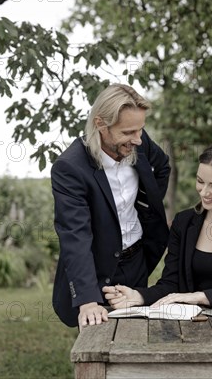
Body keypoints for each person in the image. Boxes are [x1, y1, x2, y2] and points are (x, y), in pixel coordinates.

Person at [102, 142, 212, 309]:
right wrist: (139, 296)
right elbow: (170, 285)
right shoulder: (184, 223)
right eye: (200, 181)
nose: (204, 192)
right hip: (192, 326)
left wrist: (201, 297)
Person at [51, 84, 170, 328]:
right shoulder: (70, 168)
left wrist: (145, 210)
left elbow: (162, 168)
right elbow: (75, 235)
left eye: (141, 130)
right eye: (128, 132)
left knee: (136, 333)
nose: (138, 139)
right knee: (99, 337)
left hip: (138, 260)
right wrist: (87, 300)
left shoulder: (139, 139)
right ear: (101, 124)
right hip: (96, 267)